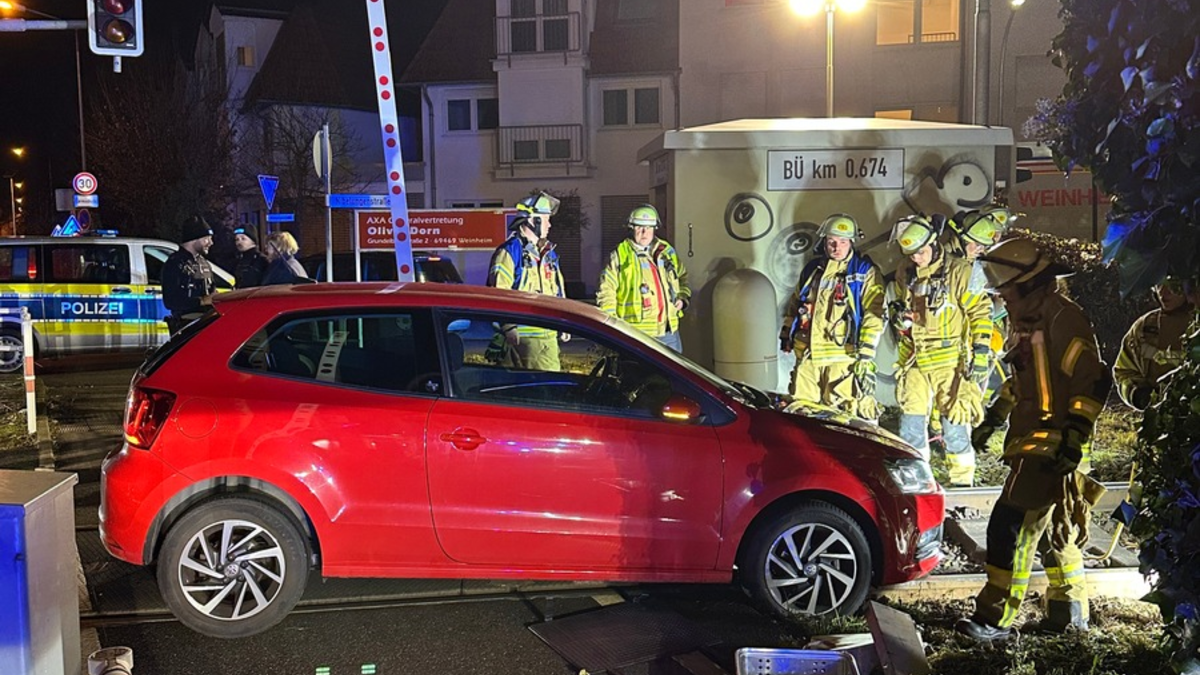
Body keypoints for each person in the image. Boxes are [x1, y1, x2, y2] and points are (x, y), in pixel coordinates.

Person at [957, 237, 1110, 642]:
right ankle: (1068, 613)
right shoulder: (1025, 320)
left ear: (1027, 284)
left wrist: (1074, 435)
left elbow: (1091, 380)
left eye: (1005, 287)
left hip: (1056, 443)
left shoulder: (1063, 318)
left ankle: (994, 619)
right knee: (1057, 531)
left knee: (1010, 526)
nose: (1000, 295)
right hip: (1036, 440)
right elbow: (1023, 378)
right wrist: (994, 417)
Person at [889, 213, 992, 486]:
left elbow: (981, 312)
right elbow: (901, 307)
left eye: (920, 252)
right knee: (911, 423)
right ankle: (916, 483)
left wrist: (981, 351)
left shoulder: (961, 271)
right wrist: (900, 317)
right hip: (914, 360)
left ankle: (962, 482)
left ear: (934, 243)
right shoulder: (906, 271)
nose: (916, 258)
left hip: (949, 362)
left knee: (954, 423)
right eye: (911, 254)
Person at [779, 214, 884, 418]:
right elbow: (796, 304)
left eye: (843, 242)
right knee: (802, 412)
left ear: (852, 242)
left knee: (841, 417)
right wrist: (787, 333)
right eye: (831, 242)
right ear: (824, 243)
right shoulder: (812, 270)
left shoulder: (863, 272)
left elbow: (875, 312)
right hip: (809, 354)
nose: (836, 247)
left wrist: (866, 354)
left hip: (842, 358)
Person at [486, 191, 568, 371]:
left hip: (546, 338)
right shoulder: (509, 252)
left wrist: (564, 322)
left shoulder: (548, 253)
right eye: (546, 219)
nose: (549, 224)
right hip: (522, 341)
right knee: (545, 387)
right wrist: (508, 327)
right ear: (533, 220)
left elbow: (558, 291)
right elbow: (498, 294)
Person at [596, 204, 691, 352]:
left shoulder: (666, 251)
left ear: (655, 228)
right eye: (639, 227)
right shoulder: (620, 255)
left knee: (672, 368)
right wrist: (611, 327)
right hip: (636, 333)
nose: (644, 232)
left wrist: (682, 298)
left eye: (649, 227)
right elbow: (606, 292)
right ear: (631, 228)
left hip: (668, 331)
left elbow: (683, 278)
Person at [1113, 276, 1198, 410]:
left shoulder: (1196, 324)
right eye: (1158, 285)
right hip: (1162, 418)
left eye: (1170, 285)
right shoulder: (1145, 327)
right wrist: (1139, 396)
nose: (1163, 292)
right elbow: (1123, 372)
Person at [162, 215, 215, 335]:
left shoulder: (204, 263)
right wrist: (201, 301)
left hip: (205, 324)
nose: (211, 243)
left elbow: (212, 292)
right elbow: (170, 301)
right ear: (194, 238)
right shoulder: (175, 263)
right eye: (206, 239)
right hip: (186, 326)